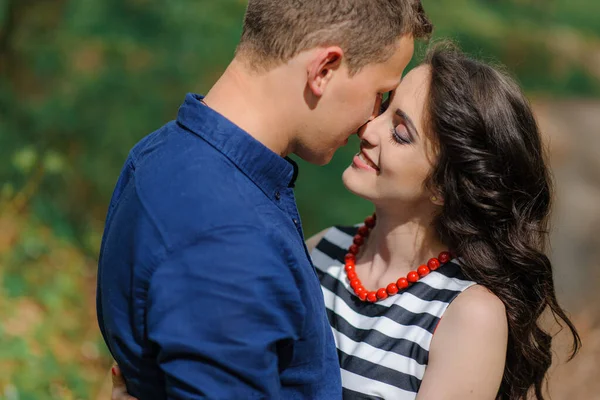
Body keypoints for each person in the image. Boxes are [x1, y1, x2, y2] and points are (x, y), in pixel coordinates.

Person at [110, 44, 580, 399]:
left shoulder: (469, 316)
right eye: (383, 105)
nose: (368, 130)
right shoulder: (320, 252)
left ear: (445, 185)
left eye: (399, 132)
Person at [96, 0, 432, 398]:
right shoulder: (228, 238)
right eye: (381, 93)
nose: (369, 121)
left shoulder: (162, 151)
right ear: (324, 70)